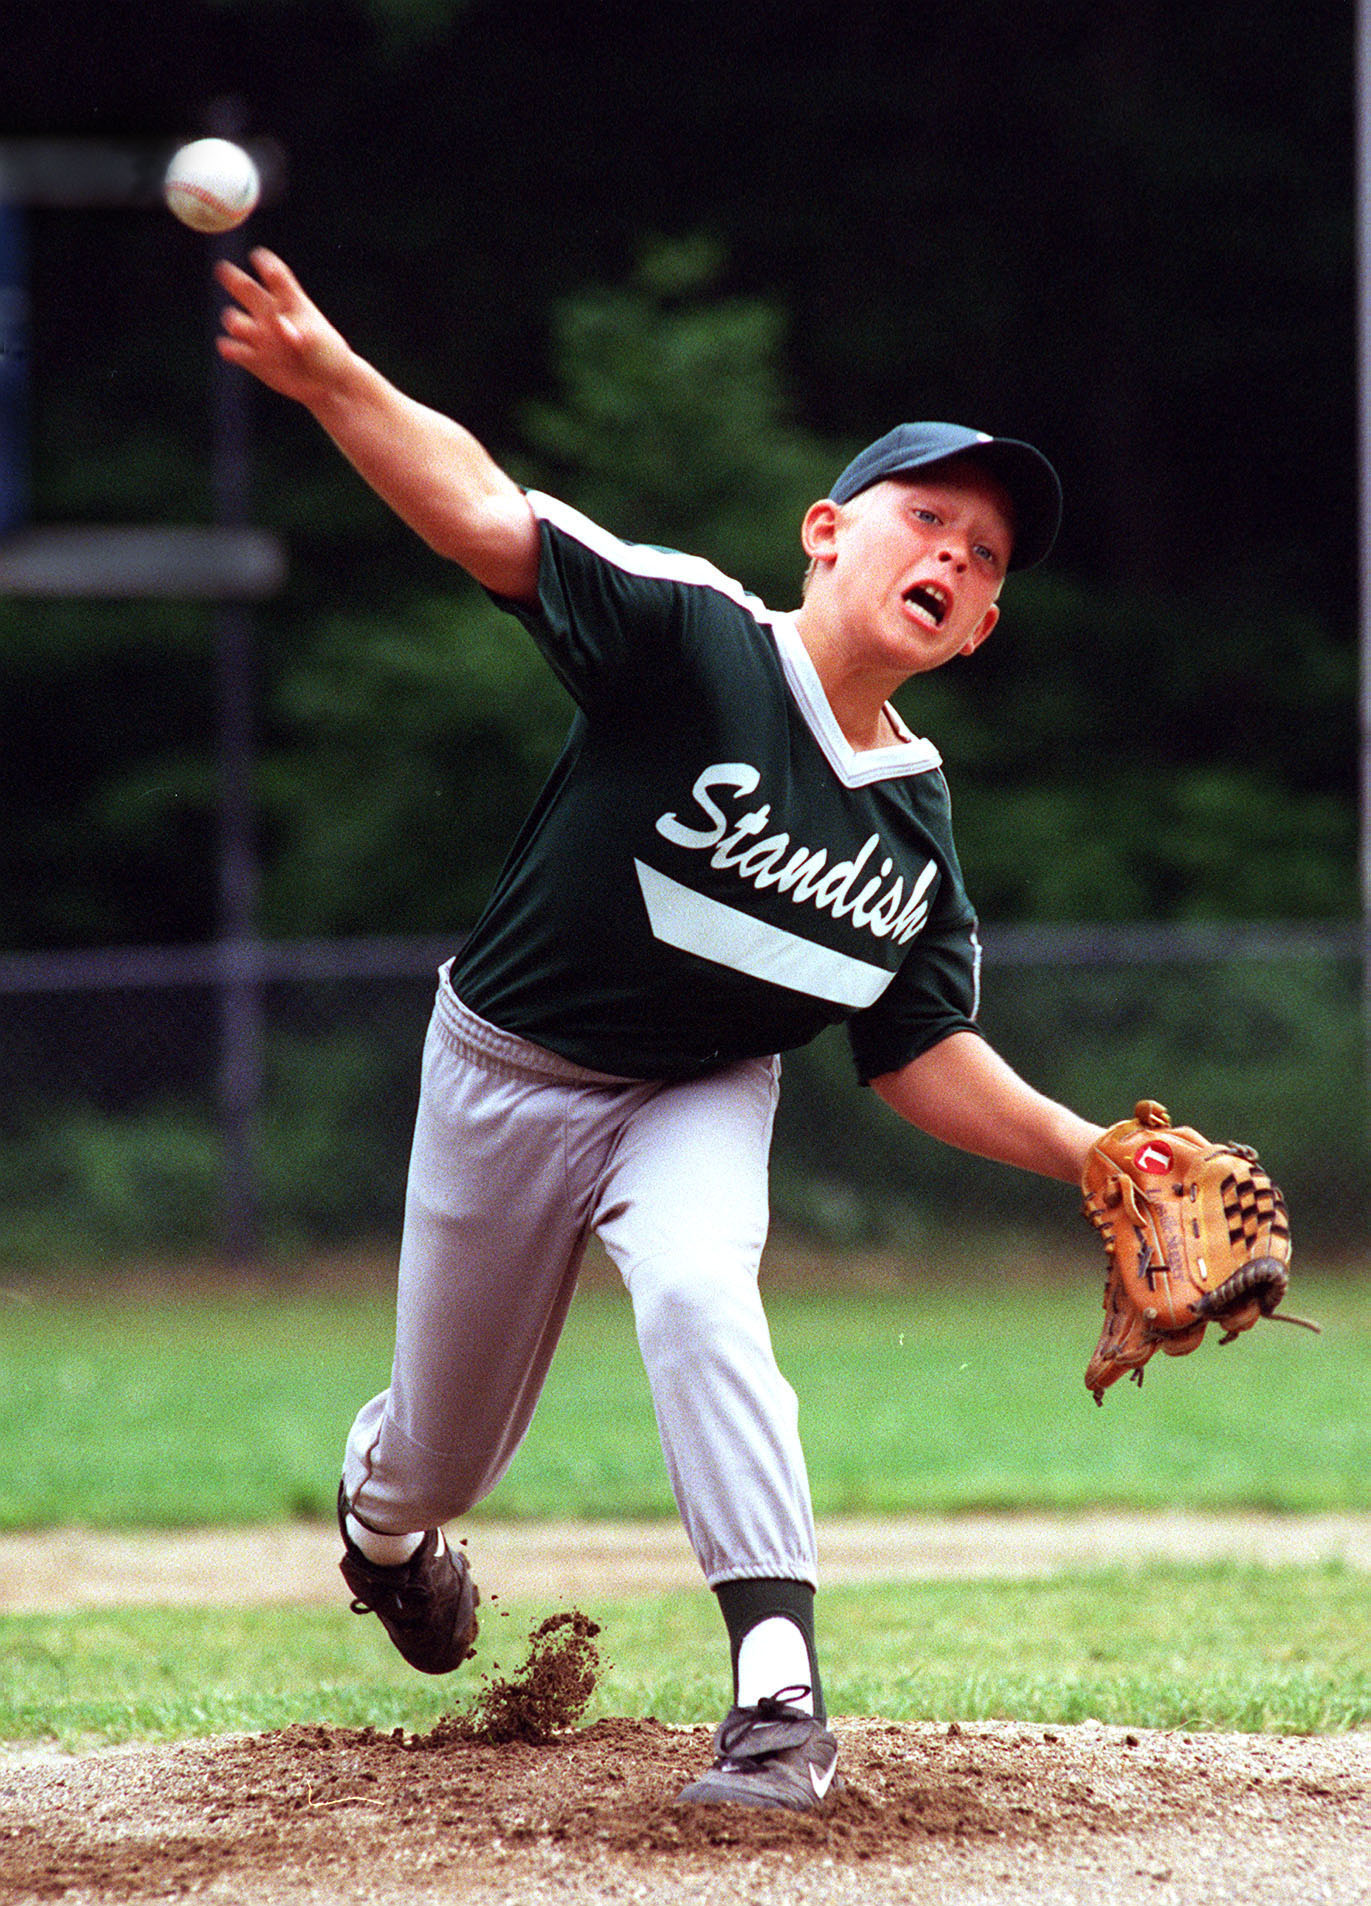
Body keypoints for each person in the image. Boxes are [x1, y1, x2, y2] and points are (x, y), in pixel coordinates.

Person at [216, 248, 1105, 1812]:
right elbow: (488, 515)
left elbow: (915, 1047)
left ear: (977, 629)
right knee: (441, 1456)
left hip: (699, 1087)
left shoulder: (912, 826)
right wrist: (334, 379)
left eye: (983, 559)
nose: (954, 558)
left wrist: (1087, 1149)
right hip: (504, 1070)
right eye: (926, 519)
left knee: (700, 1288)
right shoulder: (699, 643)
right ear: (827, 533)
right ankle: (386, 1530)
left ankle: (777, 1697)